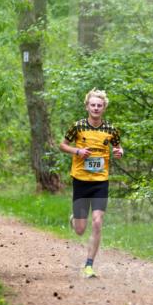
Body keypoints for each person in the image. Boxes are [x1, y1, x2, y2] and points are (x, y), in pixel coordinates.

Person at [59, 89, 123, 278]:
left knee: (97, 222)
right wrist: (77, 152)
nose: (96, 108)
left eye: (99, 105)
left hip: (100, 182)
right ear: (87, 106)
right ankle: (74, 220)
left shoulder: (111, 129)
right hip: (80, 180)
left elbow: (118, 147)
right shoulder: (77, 126)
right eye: (93, 105)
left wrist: (120, 152)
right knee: (80, 230)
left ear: (104, 108)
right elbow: (62, 145)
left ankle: (88, 265)